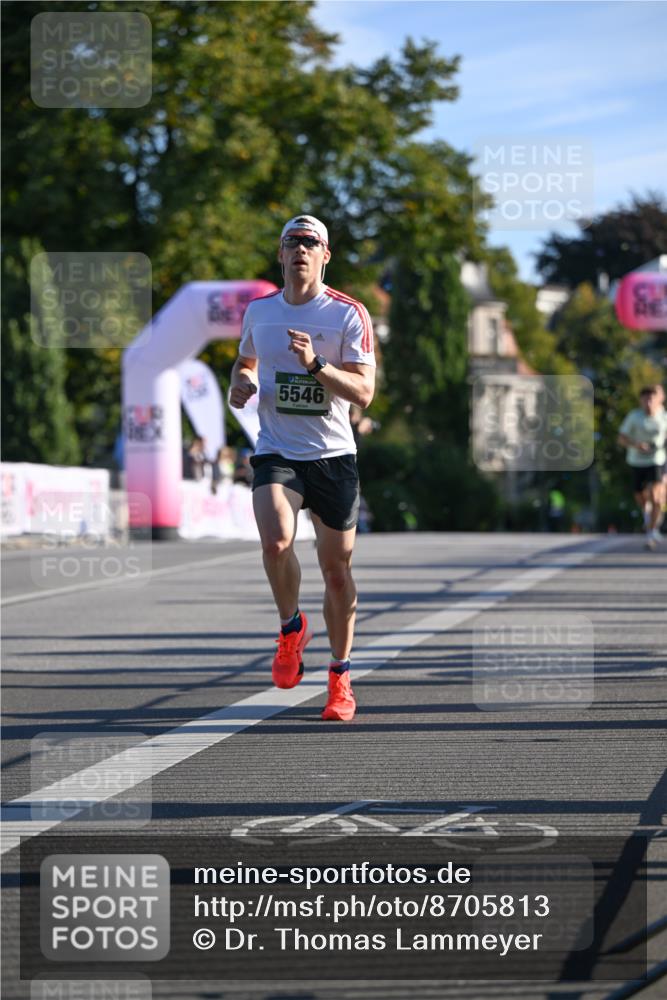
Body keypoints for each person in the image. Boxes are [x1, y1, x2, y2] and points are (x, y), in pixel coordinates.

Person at [229, 214, 376, 721]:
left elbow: (364, 393)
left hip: (333, 456)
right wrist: (239, 385)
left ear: (325, 255)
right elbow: (245, 362)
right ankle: (291, 628)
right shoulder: (260, 312)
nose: (301, 249)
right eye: (292, 241)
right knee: (275, 542)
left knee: (336, 574)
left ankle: (340, 677)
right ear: (281, 253)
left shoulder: (348, 315)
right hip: (277, 451)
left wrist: (316, 365)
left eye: (311, 242)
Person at [618, 386, 667, 550]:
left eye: (652, 399)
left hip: (657, 460)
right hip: (637, 461)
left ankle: (652, 532)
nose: (649, 402)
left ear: (658, 399)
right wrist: (636, 445)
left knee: (656, 497)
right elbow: (622, 438)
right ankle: (649, 517)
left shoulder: (663, 416)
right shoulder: (634, 416)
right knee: (641, 498)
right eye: (645, 399)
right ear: (641, 400)